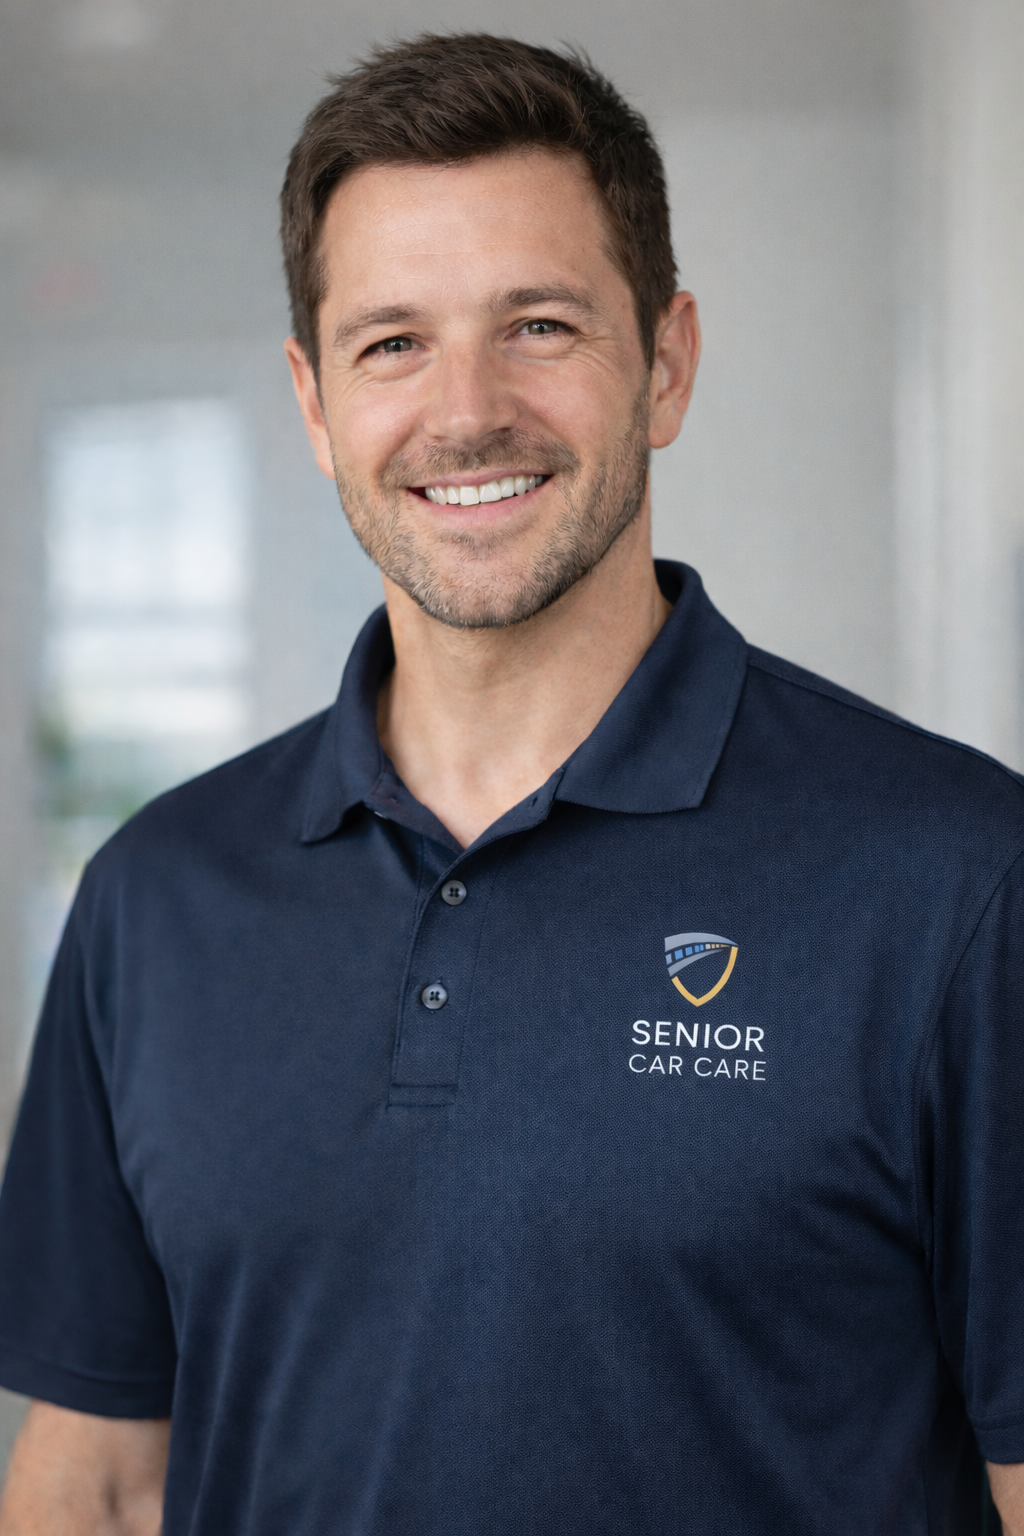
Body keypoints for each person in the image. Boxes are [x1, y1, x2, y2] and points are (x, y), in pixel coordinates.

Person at [0, 32, 1022, 1536]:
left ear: (665, 361)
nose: (465, 409)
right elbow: (95, 1478)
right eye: (391, 342)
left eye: (539, 325)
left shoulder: (958, 879)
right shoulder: (157, 898)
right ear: (313, 401)